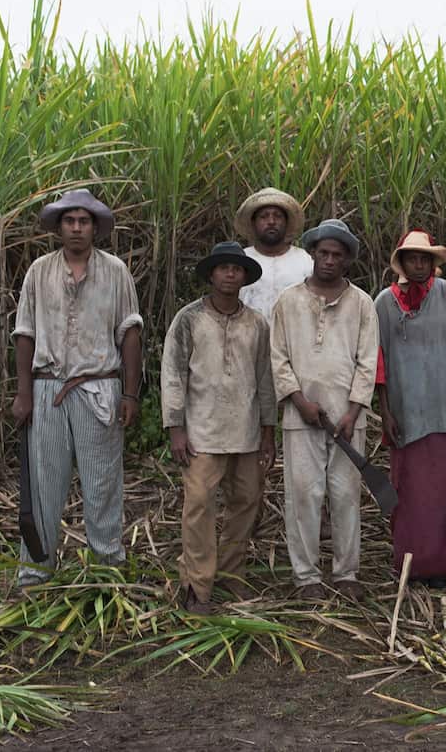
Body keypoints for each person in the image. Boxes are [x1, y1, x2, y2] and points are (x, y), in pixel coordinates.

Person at [10, 189, 143, 585]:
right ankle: (35, 572)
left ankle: (107, 571)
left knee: (102, 482)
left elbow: (130, 333)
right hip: (48, 389)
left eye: (84, 221)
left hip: (99, 389)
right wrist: (23, 393)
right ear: (59, 227)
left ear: (95, 228)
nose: (76, 228)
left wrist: (130, 393)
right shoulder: (39, 271)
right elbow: (25, 333)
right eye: (69, 221)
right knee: (44, 485)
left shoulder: (116, 270)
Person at [161, 242, 276, 614]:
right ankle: (197, 585)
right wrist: (175, 427)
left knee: (246, 503)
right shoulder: (189, 319)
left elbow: (265, 380)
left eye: (236, 269)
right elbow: (173, 375)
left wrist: (268, 433)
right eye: (223, 268)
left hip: (245, 433)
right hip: (202, 434)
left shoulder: (257, 323)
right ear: (210, 275)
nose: (230, 274)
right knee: (198, 507)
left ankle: (230, 575)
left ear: (244, 277)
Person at [270, 219, 378, 601]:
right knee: (303, 496)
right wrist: (299, 401)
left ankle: (346, 573)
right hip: (301, 419)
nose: (329, 260)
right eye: (323, 253)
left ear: (347, 259)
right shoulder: (288, 301)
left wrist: (352, 412)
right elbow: (279, 359)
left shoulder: (362, 303)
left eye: (337, 255)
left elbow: (367, 362)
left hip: (348, 421)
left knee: (346, 494)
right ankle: (307, 577)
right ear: (313, 253)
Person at [375, 229, 446, 587]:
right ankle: (411, 564)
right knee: (410, 492)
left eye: (424, 259)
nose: (418, 264)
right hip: (406, 413)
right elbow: (380, 366)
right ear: (401, 263)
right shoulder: (384, 304)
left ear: (433, 263)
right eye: (412, 259)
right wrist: (386, 413)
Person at [236, 187, 312, 321]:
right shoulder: (241, 260)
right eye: (264, 216)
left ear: (286, 222)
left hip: (295, 339)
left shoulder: (307, 261)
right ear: (253, 223)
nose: (271, 222)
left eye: (278, 216)